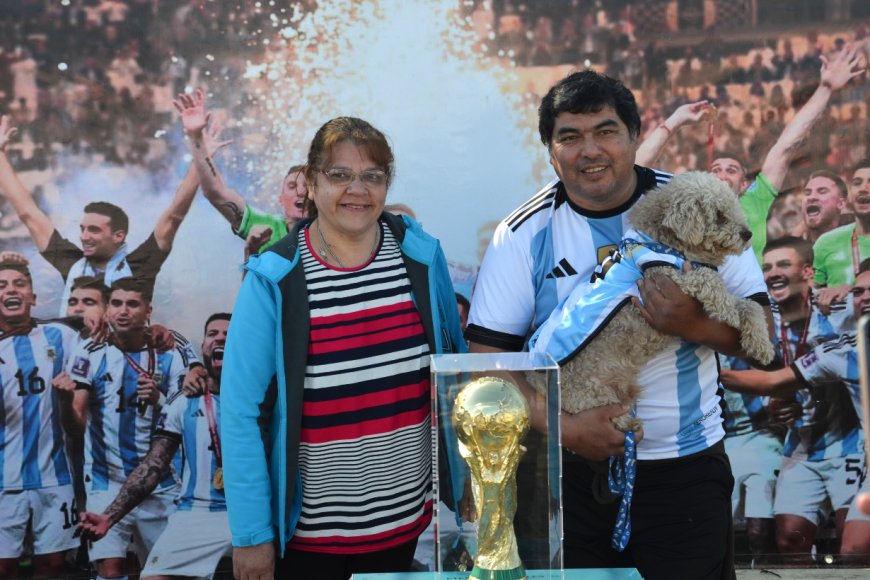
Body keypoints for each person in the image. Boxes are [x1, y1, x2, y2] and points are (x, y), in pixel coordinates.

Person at [466, 70, 771, 580]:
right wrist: (568, 429)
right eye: (570, 136)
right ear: (549, 149)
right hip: (568, 475)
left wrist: (693, 322)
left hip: (686, 470)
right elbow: (487, 369)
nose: (590, 151)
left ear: (635, 136)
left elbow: (770, 341)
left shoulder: (697, 203)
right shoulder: (520, 234)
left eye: (606, 131)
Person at [221, 116, 467, 580]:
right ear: (311, 183)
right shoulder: (274, 277)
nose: (358, 189)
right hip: (309, 542)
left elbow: (452, 373)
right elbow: (239, 413)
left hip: (404, 524)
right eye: (339, 175)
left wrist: (463, 479)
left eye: (372, 176)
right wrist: (252, 536)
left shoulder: (420, 255)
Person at [637, 45, 864, 263]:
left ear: (744, 185)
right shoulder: (688, 206)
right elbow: (636, 170)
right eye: (715, 170)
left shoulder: (755, 200)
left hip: (751, 301)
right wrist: (676, 120)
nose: (723, 174)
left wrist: (825, 88)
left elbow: (786, 146)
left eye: (731, 170)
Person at [722, 259, 870, 565]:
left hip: (849, 449)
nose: (864, 297)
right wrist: (712, 373)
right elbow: (773, 380)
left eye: (785, 264)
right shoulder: (841, 350)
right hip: (804, 449)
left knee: (852, 543)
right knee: (799, 539)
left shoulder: (833, 313)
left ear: (807, 272)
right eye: (859, 291)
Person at [0, 115, 225, 315]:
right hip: (79, 360)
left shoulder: (140, 266)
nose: (84, 236)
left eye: (94, 230)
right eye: (83, 229)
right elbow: (29, 214)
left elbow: (174, 216)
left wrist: (200, 154)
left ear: (118, 236)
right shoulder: (72, 264)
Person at [55, 277, 198, 579]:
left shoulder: (170, 356)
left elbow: (187, 422)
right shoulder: (89, 353)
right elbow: (76, 425)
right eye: (116, 303)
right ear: (107, 310)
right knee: (110, 570)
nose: (123, 311)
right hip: (106, 484)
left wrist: (159, 399)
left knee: (162, 572)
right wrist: (66, 401)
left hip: (160, 486)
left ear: (148, 309)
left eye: (132, 304)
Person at [76, 313, 233, 579]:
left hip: (248, 514)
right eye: (212, 334)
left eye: (228, 334)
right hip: (195, 514)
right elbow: (153, 464)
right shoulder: (182, 402)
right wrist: (109, 517)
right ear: (203, 346)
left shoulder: (264, 397)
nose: (220, 338)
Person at [0, 260, 82, 578]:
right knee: (4, 568)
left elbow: (105, 334)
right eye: (2, 285)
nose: (11, 289)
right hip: (4, 482)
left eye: (19, 283)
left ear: (32, 297)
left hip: (56, 478)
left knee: (53, 566)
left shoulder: (60, 336)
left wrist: (166, 336)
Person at [174, 89, 308, 252]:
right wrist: (197, 139)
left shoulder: (334, 232)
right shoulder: (266, 228)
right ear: (281, 199)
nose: (301, 191)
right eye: (292, 186)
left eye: (308, 187)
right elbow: (216, 193)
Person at [813, 159, 870, 309]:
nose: (863, 188)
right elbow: (809, 292)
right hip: (843, 331)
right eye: (857, 183)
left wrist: (850, 290)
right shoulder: (826, 243)